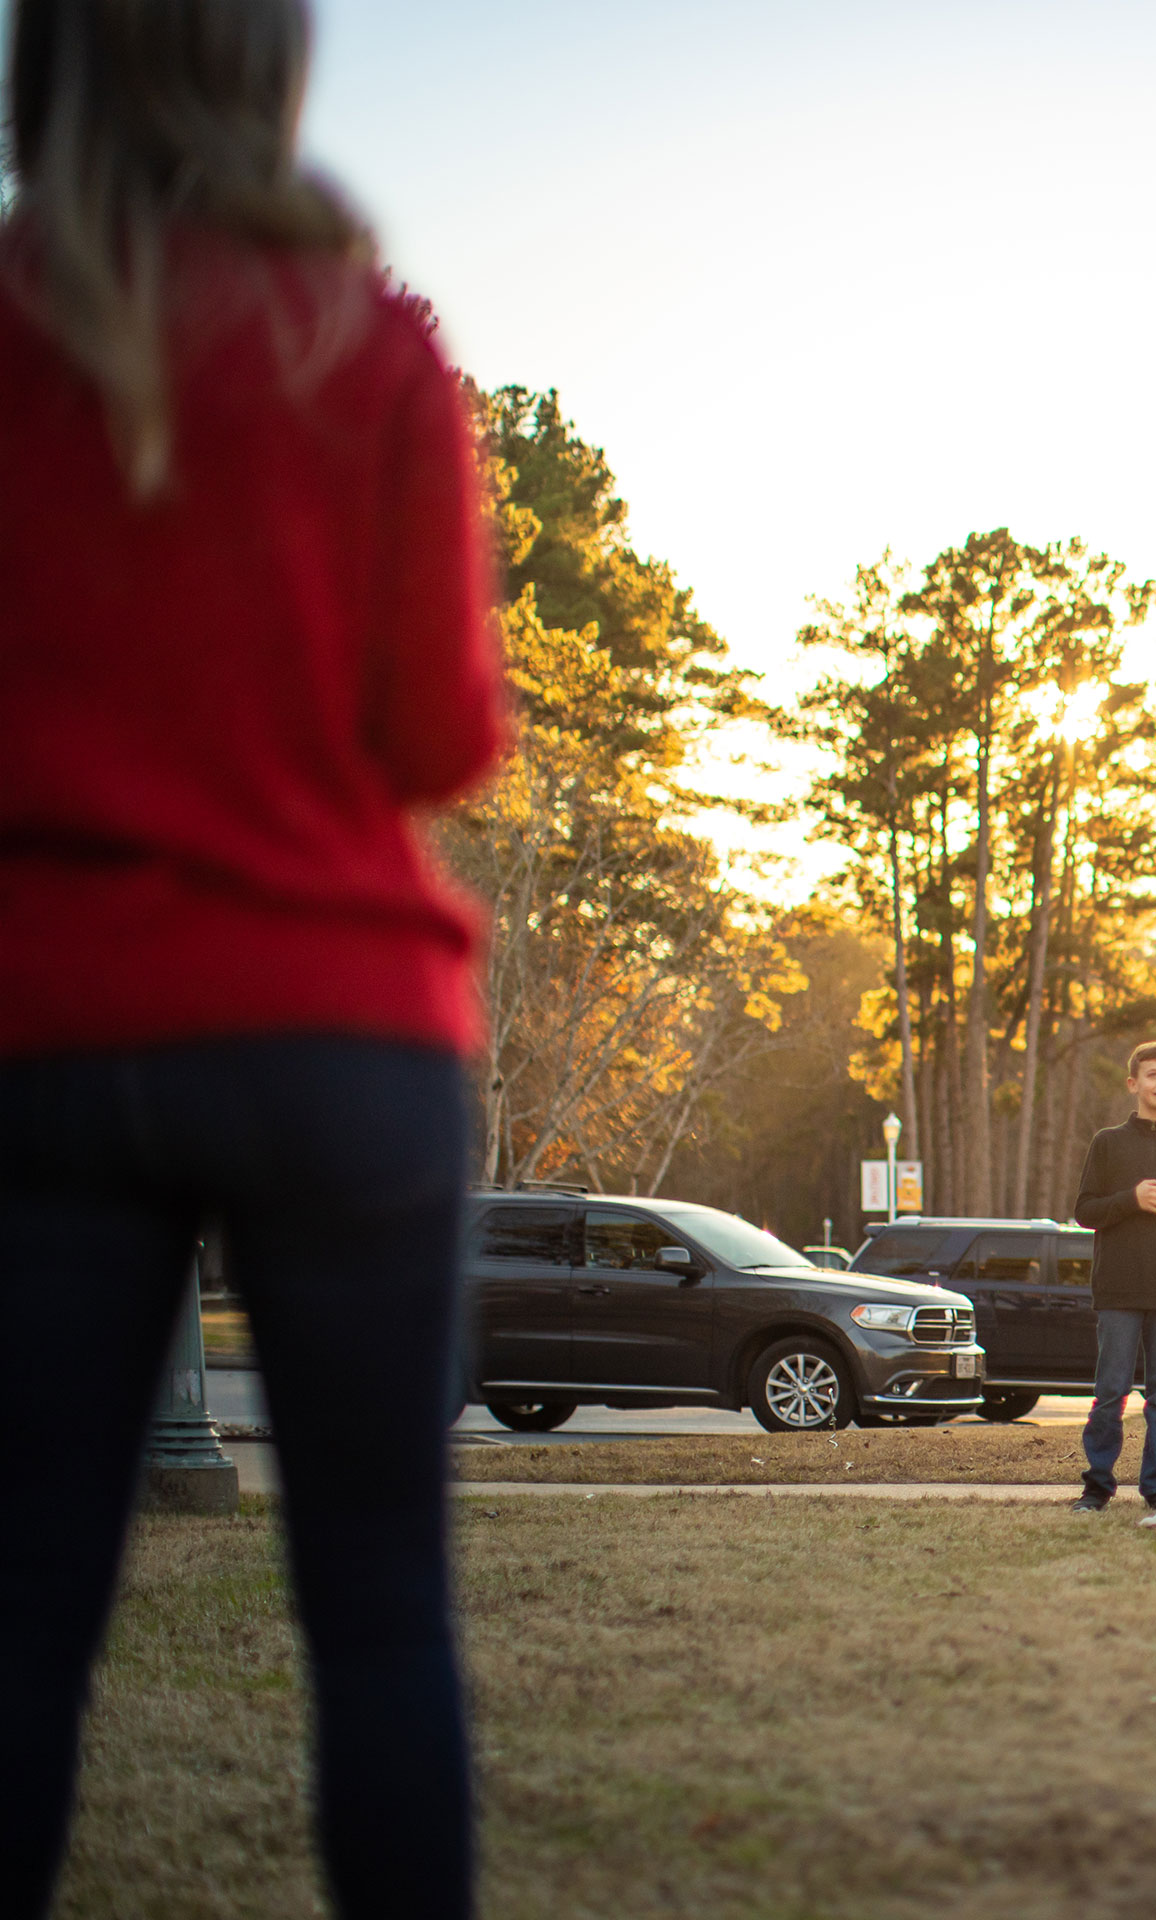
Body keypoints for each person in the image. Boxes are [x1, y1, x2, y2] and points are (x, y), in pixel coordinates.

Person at [0, 3, 502, 1916]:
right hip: (336, 1032)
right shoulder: (360, 346)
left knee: (25, 1614)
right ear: (266, 64)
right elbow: (443, 732)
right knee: (378, 1612)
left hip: (47, 1027)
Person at [1069, 1041, 1156, 1520]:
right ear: (1134, 1084)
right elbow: (1085, 1211)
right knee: (1111, 1391)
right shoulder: (1107, 1143)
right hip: (1118, 1290)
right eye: (1155, 1076)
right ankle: (1096, 1489)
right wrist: (1131, 1199)